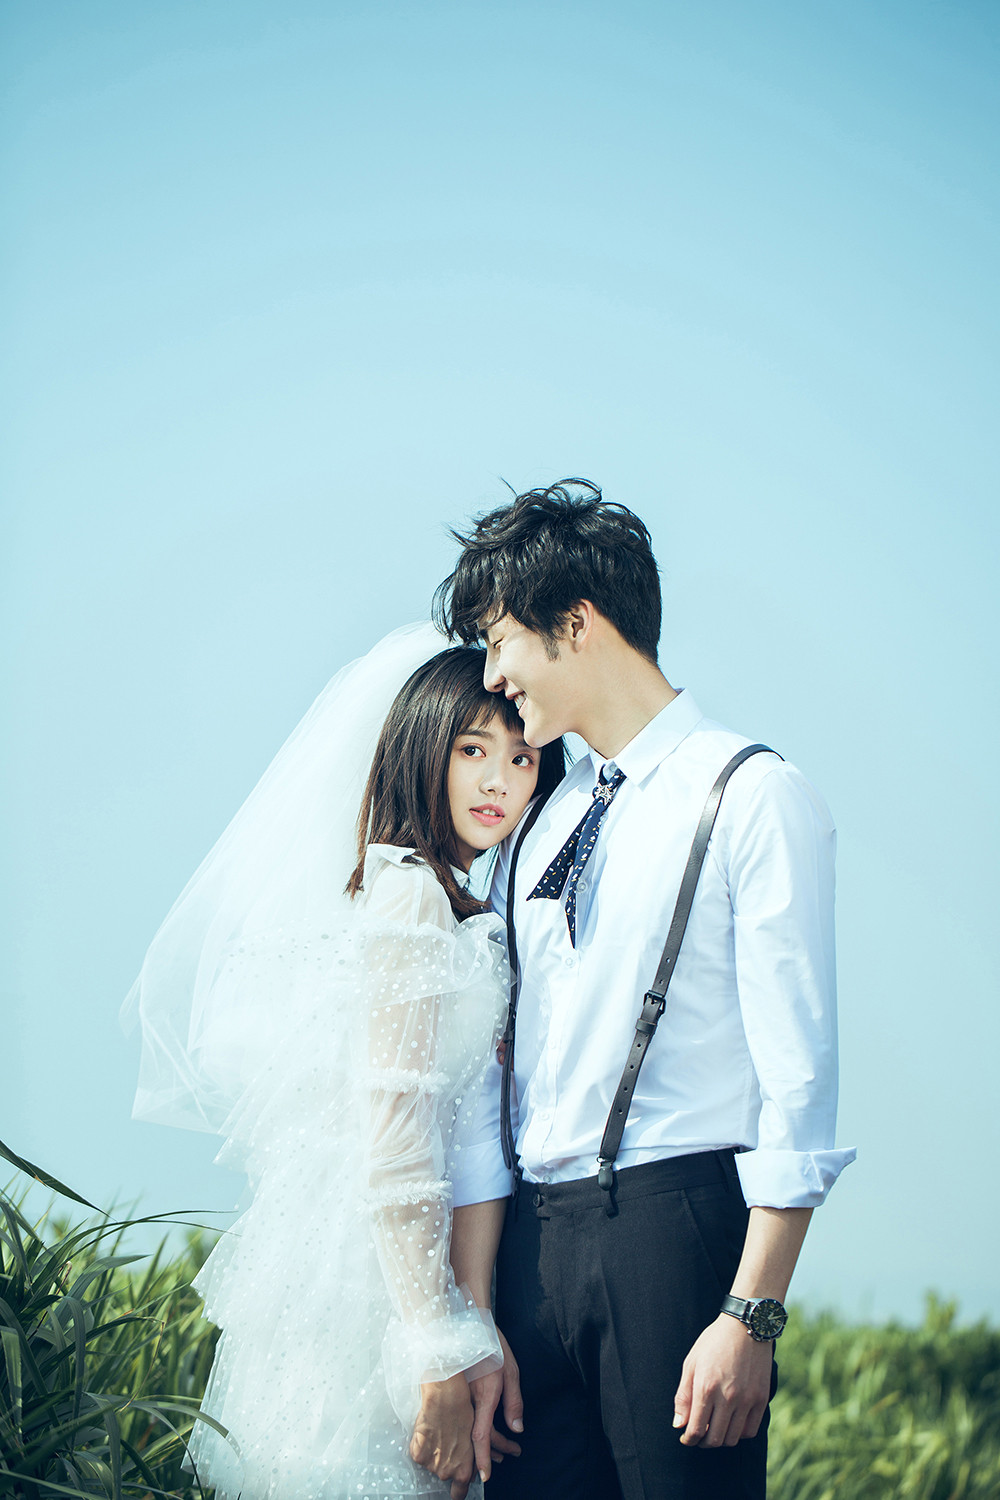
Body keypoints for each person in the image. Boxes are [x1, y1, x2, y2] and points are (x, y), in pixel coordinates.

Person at [435, 480, 856, 1500]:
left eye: (501, 641)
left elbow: (799, 1079)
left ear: (576, 624)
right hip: (533, 1245)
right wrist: (478, 1311)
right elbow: (498, 1069)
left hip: (673, 1230)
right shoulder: (541, 811)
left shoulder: (749, 792)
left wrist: (751, 1312)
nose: (492, 675)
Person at [124, 624, 564, 1500]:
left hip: (422, 1281)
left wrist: (474, 1319)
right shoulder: (409, 896)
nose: (498, 782)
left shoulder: (453, 905)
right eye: (472, 750)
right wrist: (435, 1348)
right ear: (422, 750)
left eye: (521, 761)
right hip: (377, 1293)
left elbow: (468, 1130)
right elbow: (395, 1141)